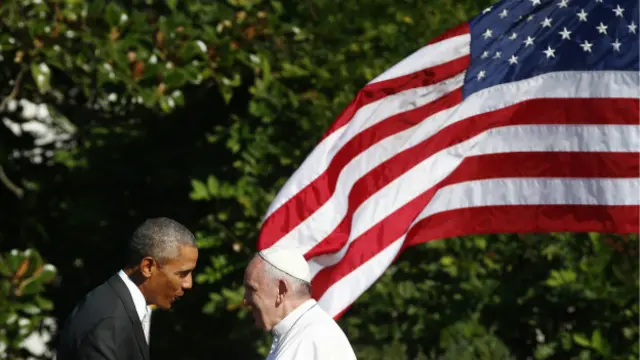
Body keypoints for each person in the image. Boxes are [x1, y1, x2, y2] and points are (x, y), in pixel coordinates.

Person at [56, 217, 199, 360]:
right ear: (148, 267)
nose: (189, 284)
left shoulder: (119, 307)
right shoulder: (107, 324)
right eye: (182, 274)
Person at [243, 247, 357, 360]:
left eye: (252, 289)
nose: (245, 301)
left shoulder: (313, 338)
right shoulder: (303, 334)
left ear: (281, 290)